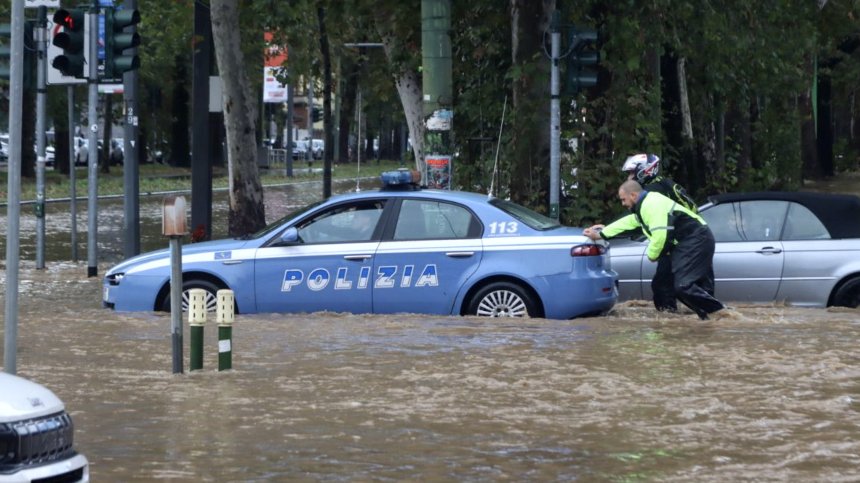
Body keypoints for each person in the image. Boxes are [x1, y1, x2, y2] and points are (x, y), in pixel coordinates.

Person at [585, 180, 725, 320]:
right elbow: (629, 222)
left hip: (696, 240)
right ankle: (671, 320)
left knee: (683, 286)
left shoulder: (652, 204)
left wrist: (652, 255)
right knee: (661, 285)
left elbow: (660, 236)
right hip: (680, 245)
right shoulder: (643, 206)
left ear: (633, 195)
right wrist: (601, 233)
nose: (623, 204)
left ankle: (721, 314)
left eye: (623, 200)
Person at [602, 154, 698, 312]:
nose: (629, 177)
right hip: (687, 240)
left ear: (643, 171)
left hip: (675, 244)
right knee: (686, 286)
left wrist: (606, 229)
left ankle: (668, 324)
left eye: (631, 173)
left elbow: (636, 219)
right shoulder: (666, 184)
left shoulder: (652, 192)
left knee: (662, 286)